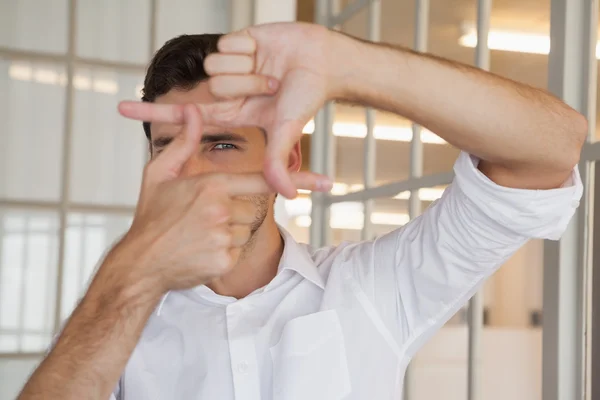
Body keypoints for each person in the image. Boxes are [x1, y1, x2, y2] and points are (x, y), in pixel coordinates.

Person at [19, 22, 585, 400]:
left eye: (221, 143)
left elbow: (549, 151)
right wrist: (134, 274)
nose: (193, 176)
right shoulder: (115, 317)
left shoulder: (374, 286)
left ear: (286, 157)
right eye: (170, 148)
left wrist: (346, 65)